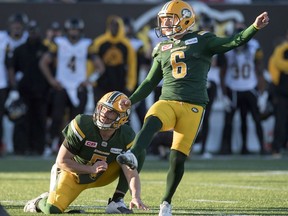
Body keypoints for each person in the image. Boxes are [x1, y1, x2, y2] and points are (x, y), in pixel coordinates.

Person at [116, 1, 269, 215]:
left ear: (185, 18)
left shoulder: (203, 39)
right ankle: (132, 154)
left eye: (170, 19)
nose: (166, 24)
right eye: (163, 20)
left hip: (193, 106)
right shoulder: (161, 48)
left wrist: (254, 27)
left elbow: (232, 42)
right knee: (152, 119)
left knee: (177, 158)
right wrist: (131, 100)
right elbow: (150, 82)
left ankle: (166, 203)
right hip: (167, 100)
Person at [23, 91, 148, 214]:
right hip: (74, 173)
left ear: (122, 118)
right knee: (52, 209)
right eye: (103, 108)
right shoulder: (83, 124)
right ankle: (38, 201)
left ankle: (117, 200)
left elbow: (131, 172)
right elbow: (61, 161)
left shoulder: (126, 135)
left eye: (111, 112)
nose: (104, 114)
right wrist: (91, 169)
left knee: (138, 152)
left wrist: (135, 196)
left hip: (103, 173)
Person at [39, 17, 104, 155]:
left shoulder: (87, 44)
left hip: (79, 87)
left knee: (76, 121)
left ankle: (73, 148)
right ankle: (50, 145)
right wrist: (51, 80)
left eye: (76, 29)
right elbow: (43, 62)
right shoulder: (59, 43)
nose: (74, 32)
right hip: (61, 87)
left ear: (80, 30)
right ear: (67, 30)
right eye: (71, 29)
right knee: (56, 117)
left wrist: (89, 80)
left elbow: (100, 67)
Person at [219, 23, 269, 155]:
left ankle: (262, 149)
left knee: (256, 119)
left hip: (250, 87)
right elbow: (222, 72)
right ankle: (226, 149)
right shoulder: (228, 47)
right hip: (233, 87)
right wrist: (224, 95)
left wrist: (262, 94)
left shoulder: (254, 47)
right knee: (229, 121)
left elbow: (260, 70)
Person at [7, 20, 49, 155]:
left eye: (35, 31)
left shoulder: (44, 49)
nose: (33, 34)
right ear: (28, 33)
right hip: (24, 91)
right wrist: (13, 86)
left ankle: (38, 149)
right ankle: (20, 149)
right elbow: (11, 67)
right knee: (22, 120)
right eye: (31, 31)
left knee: (39, 120)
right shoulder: (20, 50)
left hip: (41, 91)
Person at [91, 15, 137, 103]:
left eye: (116, 25)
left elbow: (132, 66)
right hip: (101, 85)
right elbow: (92, 63)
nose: (114, 28)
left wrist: (130, 85)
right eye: (112, 25)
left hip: (120, 85)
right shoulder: (99, 42)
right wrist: (92, 82)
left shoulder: (127, 45)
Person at [268, 29, 288, 157]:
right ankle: (276, 147)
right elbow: (277, 64)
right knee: (280, 120)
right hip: (282, 91)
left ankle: (283, 146)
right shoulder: (283, 49)